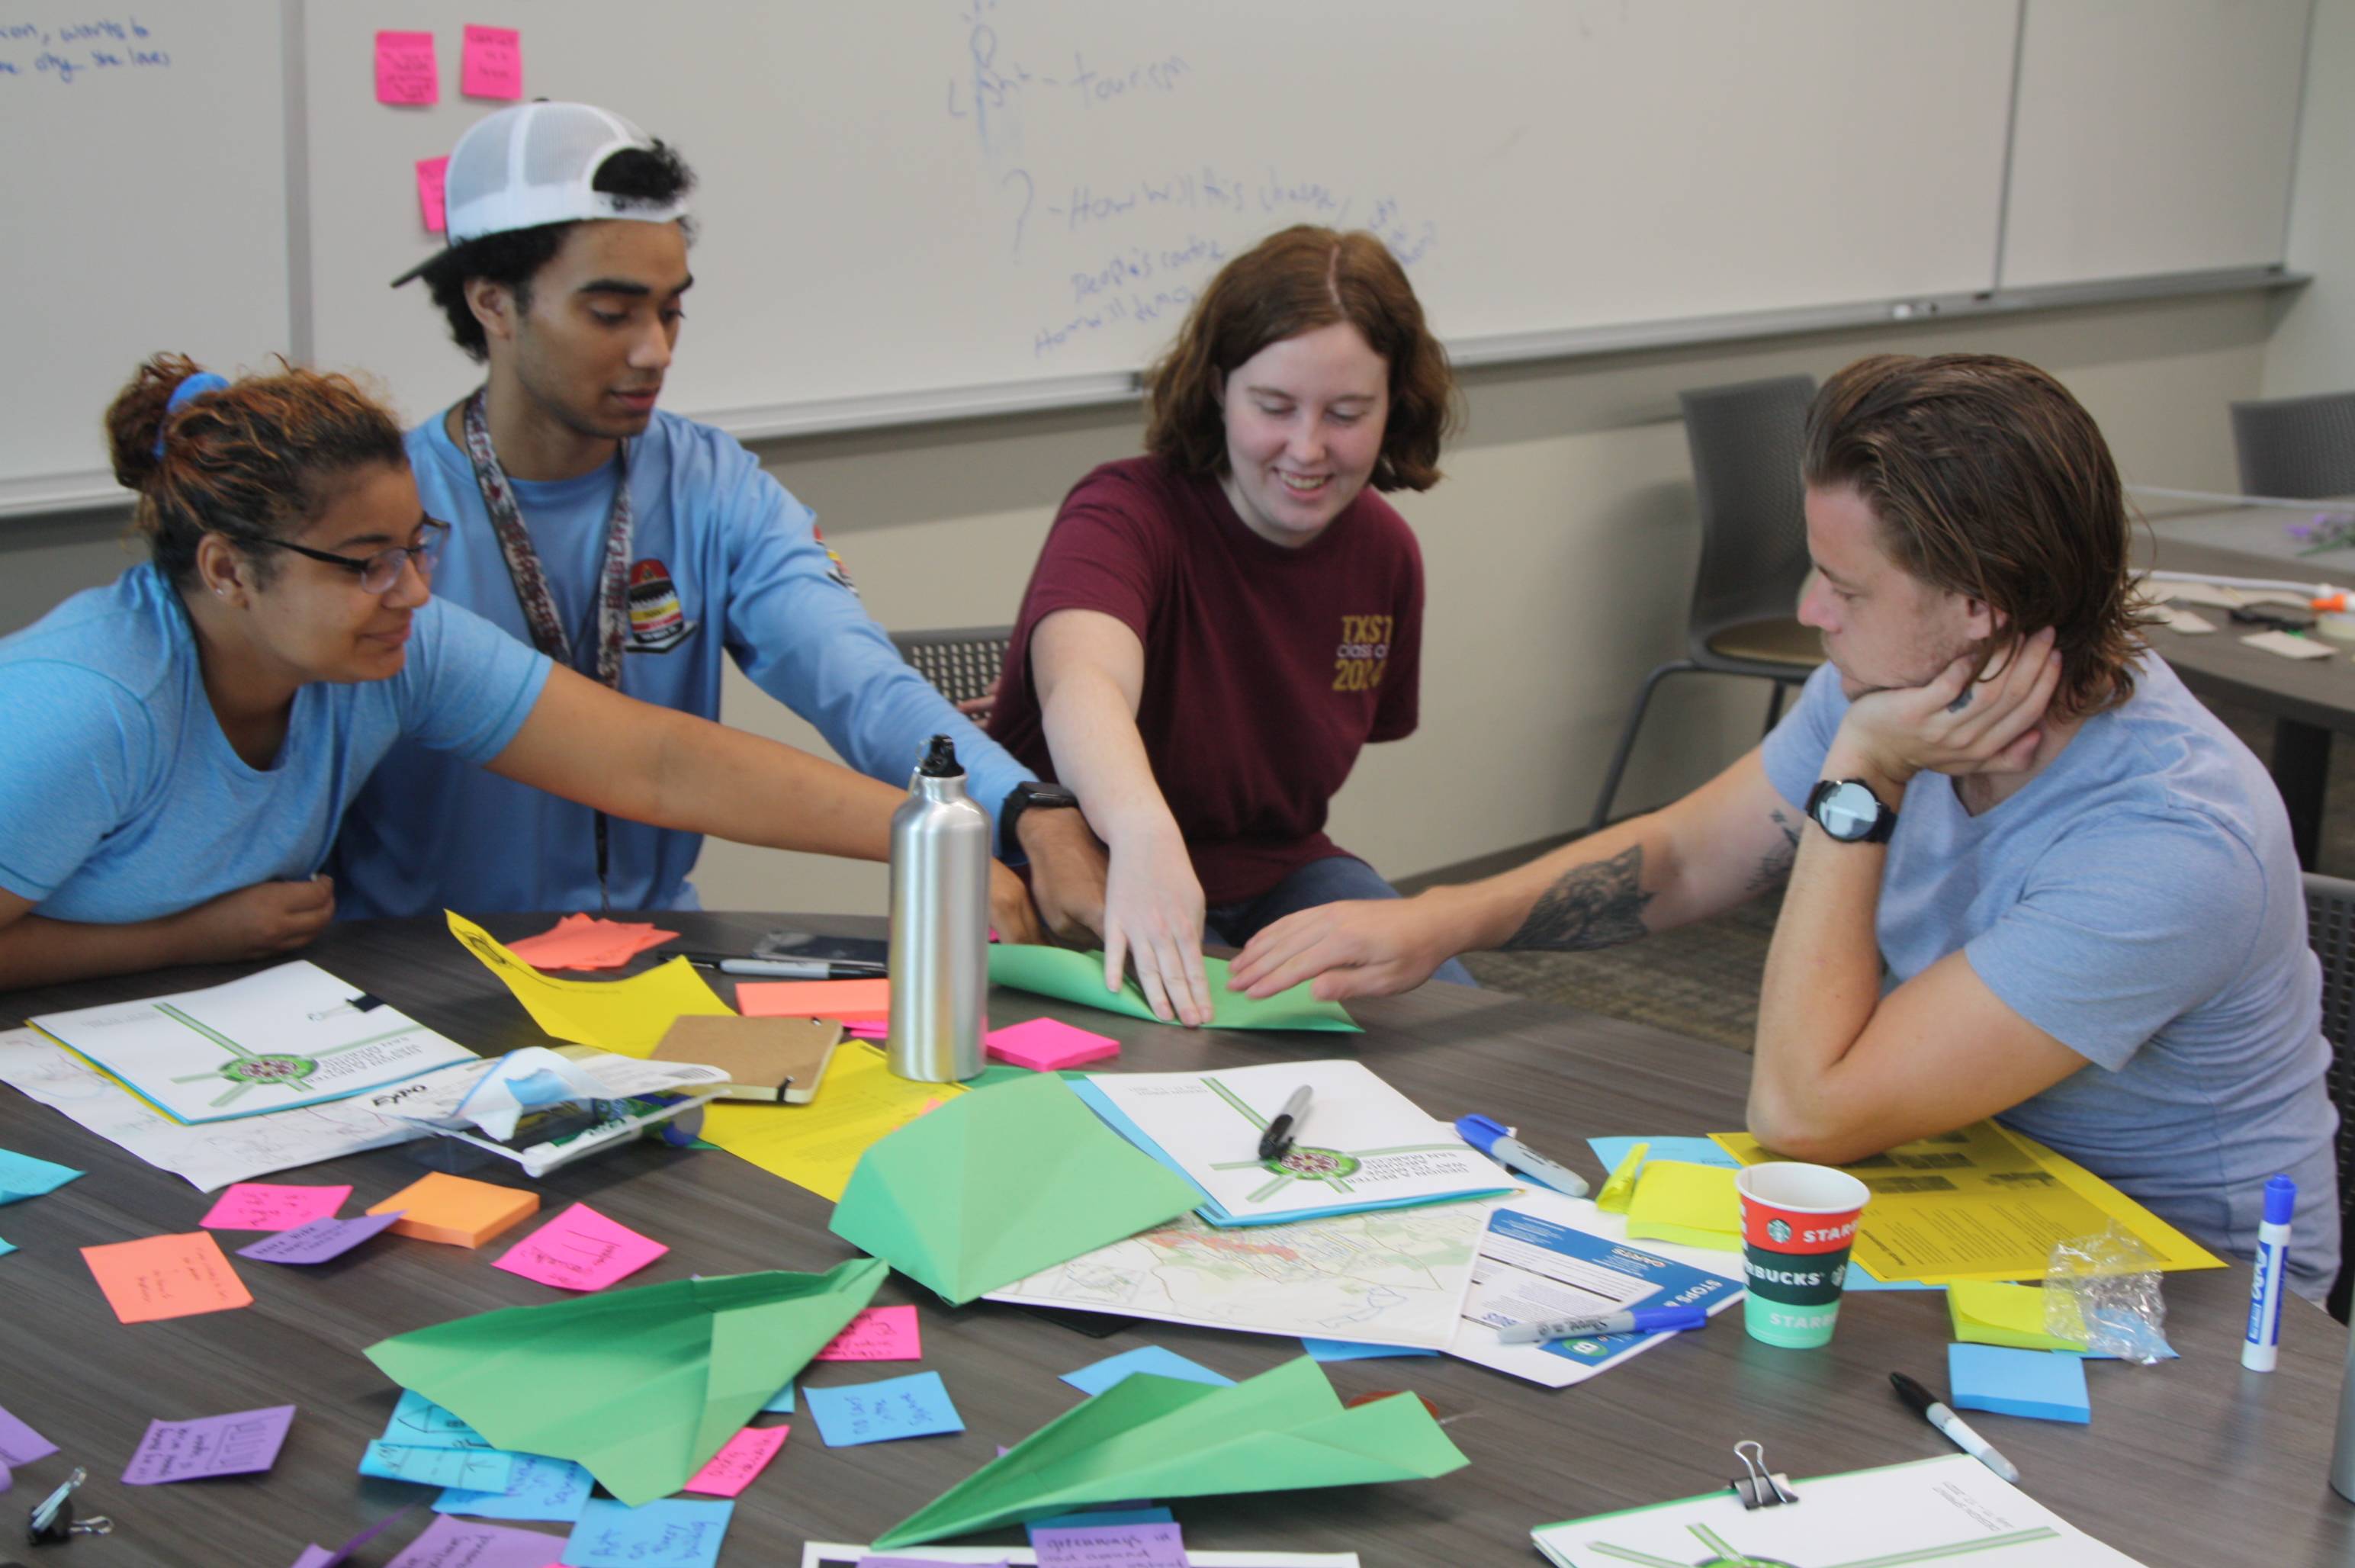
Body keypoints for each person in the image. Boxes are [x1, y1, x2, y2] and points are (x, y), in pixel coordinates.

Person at [1229, 352, 2340, 1293]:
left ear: (1982, 607)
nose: (1813, 617)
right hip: (1962, 1192)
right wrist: (1439, 923)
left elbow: (1807, 1110)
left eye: (1844, 592)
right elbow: (1689, 856)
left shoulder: (2171, 842)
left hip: (2177, 1298)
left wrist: (1861, 779)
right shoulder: (1904, 685)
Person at [0, 355, 1036, 990]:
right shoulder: (90, 707)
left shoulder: (394, 647)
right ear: (229, 572)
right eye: (366, 564)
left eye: (419, 545)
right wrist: (184, 937)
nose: (411, 590)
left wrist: (940, 840)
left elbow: (664, 764)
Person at [333, 101, 1101, 934]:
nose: (655, 351)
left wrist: (1028, 806)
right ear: (493, 304)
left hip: (654, 961)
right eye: (611, 313)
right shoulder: (386, 512)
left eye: (671, 310)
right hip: (423, 970)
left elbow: (858, 683)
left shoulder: (711, 484)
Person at [985, 224, 1476, 1026]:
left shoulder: (1386, 551)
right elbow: (1084, 682)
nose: (1307, 449)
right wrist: (1142, 831)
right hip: (1096, 868)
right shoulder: (1124, 513)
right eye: (1274, 407)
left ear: (1395, 406)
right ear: (1218, 388)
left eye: (1347, 412)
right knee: (1213, 1053)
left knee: (1441, 1017)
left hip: (1279, 875)